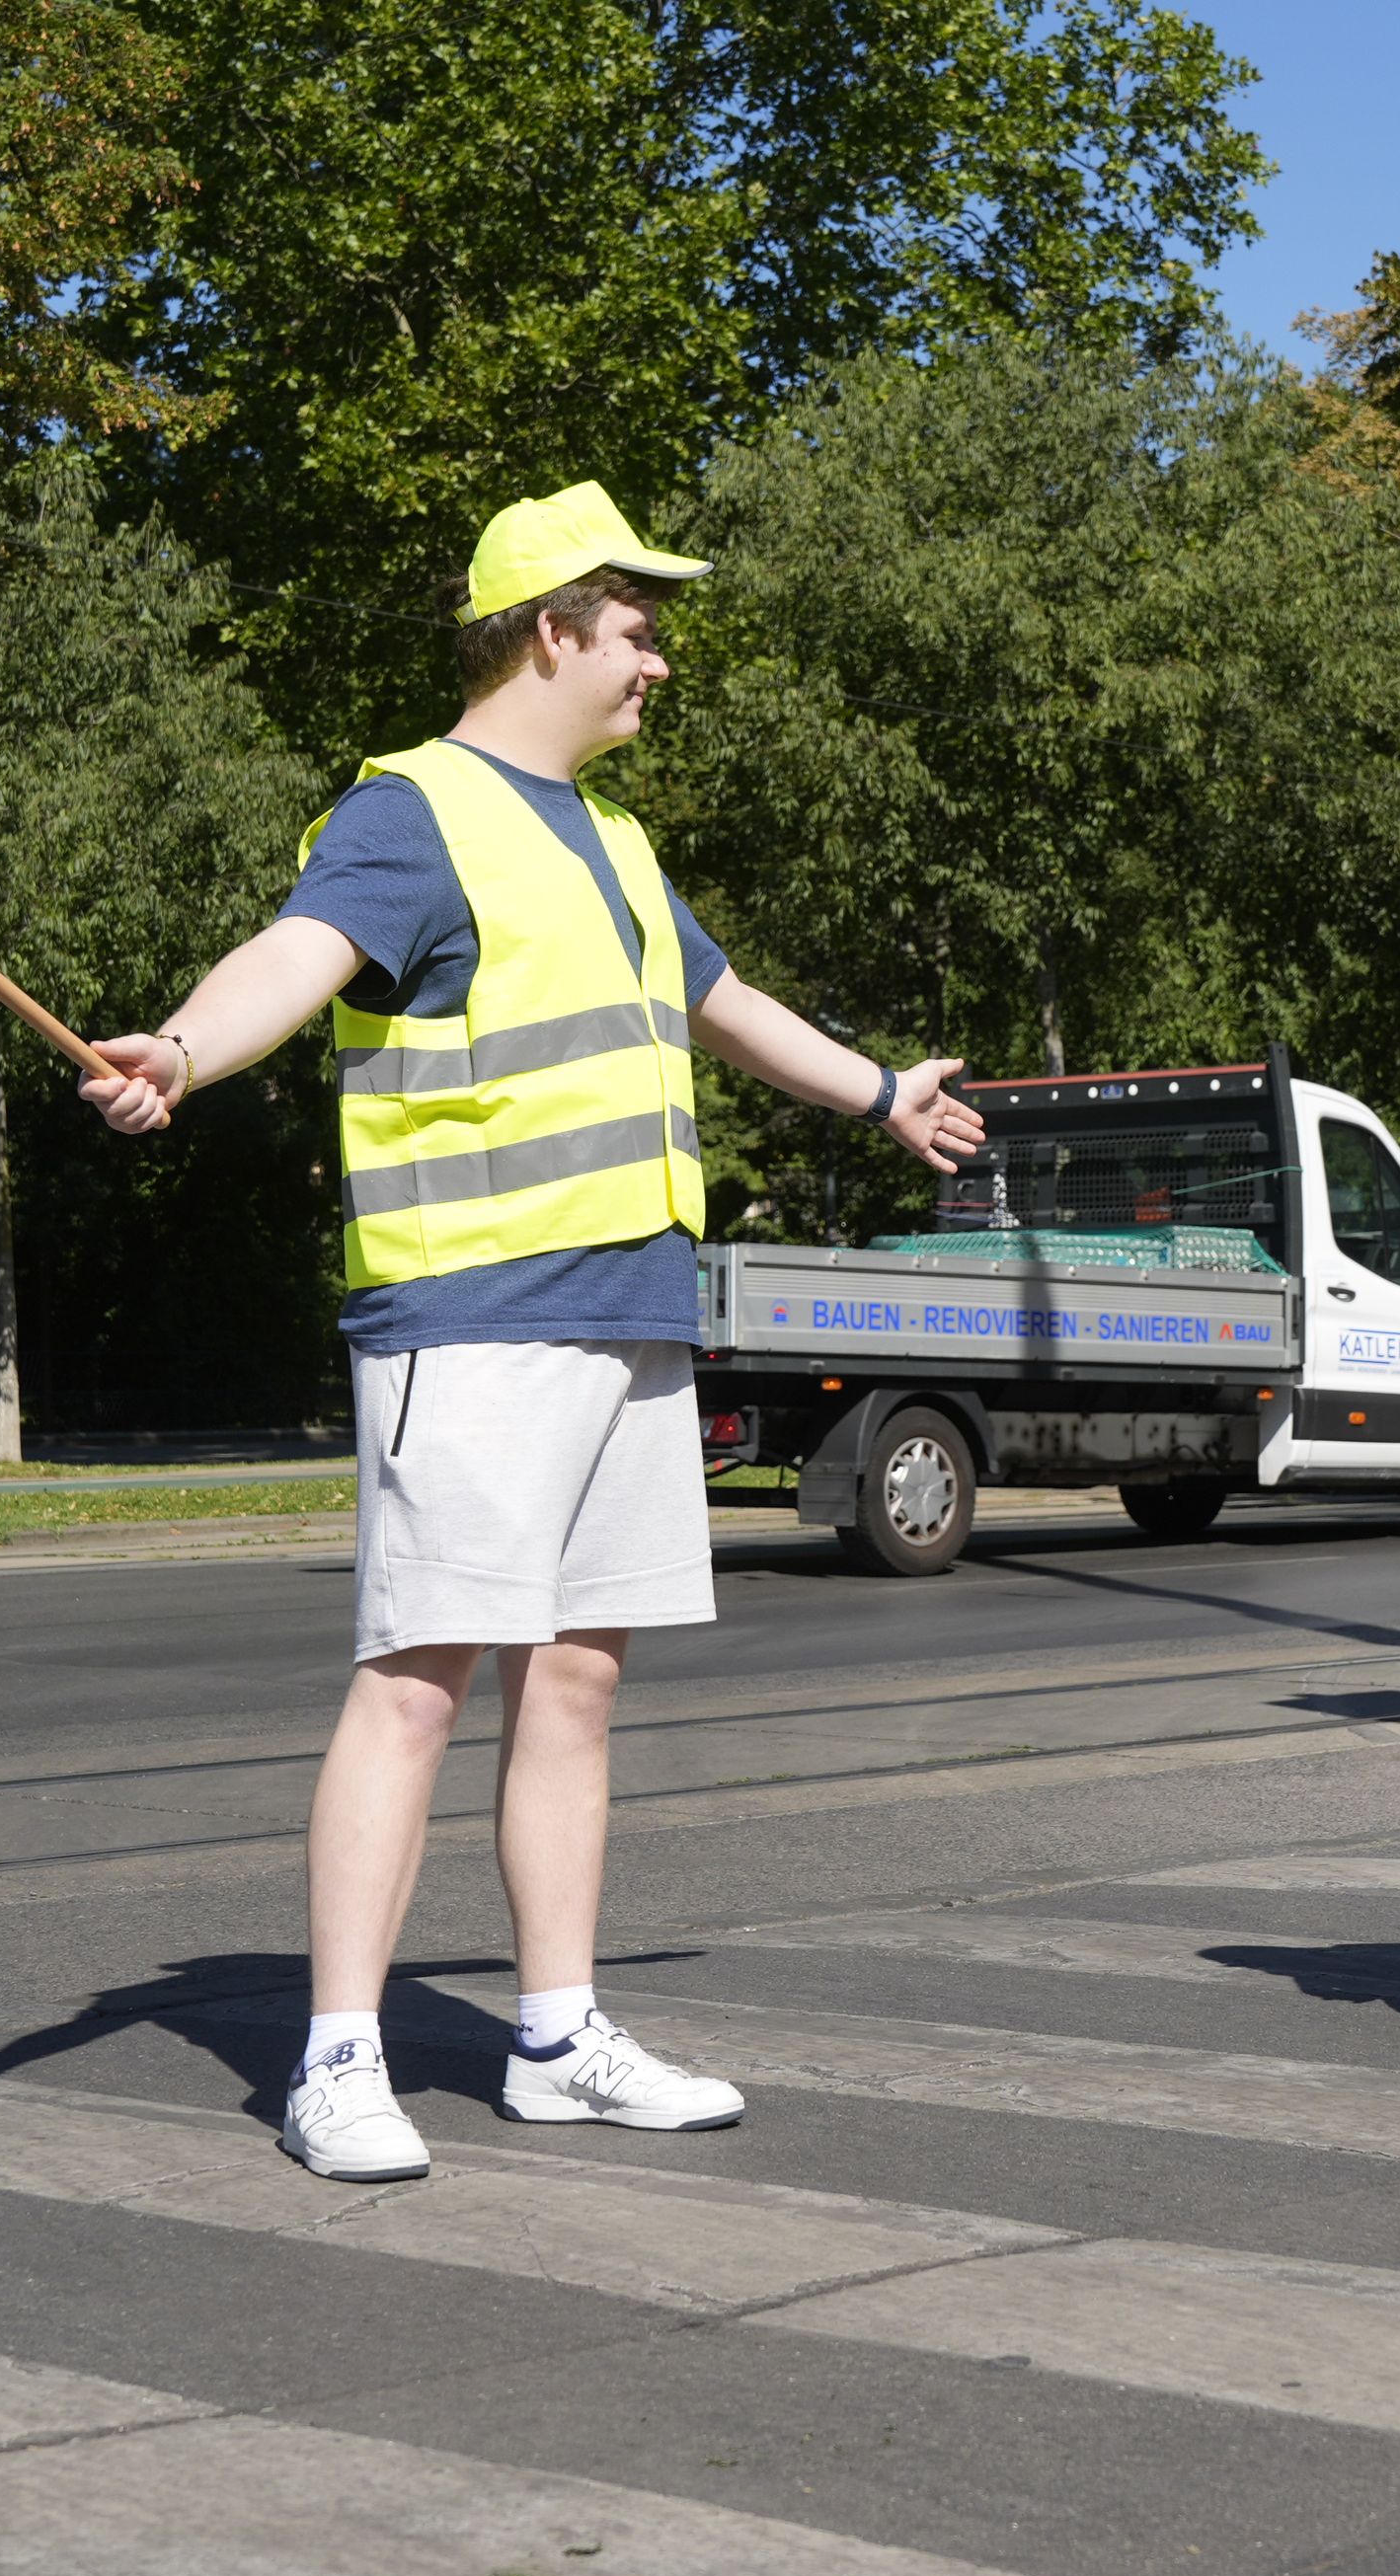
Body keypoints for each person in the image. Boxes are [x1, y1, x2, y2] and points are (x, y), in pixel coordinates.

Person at [80, 481, 985, 2179]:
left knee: (576, 1680)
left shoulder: (616, 842)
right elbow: (298, 950)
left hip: (630, 1310)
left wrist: (881, 1092)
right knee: (417, 1681)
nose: (659, 665)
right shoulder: (415, 810)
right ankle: (337, 2054)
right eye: (639, 630)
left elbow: (715, 1004)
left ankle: (557, 2036)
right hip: (472, 1317)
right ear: (554, 626)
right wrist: (187, 1055)